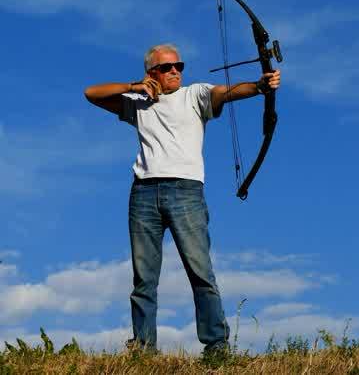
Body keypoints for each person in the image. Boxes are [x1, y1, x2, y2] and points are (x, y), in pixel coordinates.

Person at [84, 43, 282, 357]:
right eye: (166, 68)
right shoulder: (137, 102)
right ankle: (144, 347)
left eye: (179, 66)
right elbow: (91, 93)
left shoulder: (195, 95)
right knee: (143, 278)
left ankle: (216, 345)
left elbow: (226, 92)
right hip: (143, 192)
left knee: (200, 271)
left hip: (186, 192)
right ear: (151, 73)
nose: (175, 71)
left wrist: (259, 86)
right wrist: (134, 87)